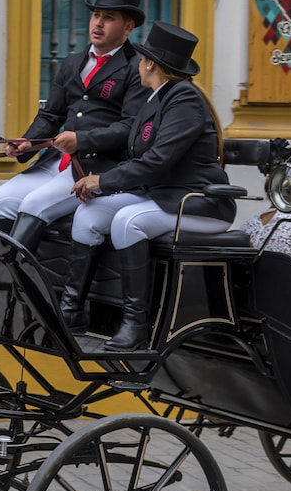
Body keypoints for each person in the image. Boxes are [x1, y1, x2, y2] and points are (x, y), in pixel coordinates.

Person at [68, 22, 235, 350]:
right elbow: (139, 158)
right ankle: (71, 310)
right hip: (163, 197)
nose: (137, 63)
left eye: (141, 58)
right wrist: (100, 187)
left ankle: (135, 324)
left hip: (199, 204)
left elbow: (158, 160)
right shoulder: (156, 99)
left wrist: (104, 180)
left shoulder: (183, 99)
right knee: (89, 214)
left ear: (150, 64)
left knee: (127, 221)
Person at [0, 0, 145, 251]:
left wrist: (82, 140)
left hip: (96, 167)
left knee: (34, 205)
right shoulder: (72, 62)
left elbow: (130, 127)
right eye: (96, 15)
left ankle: (23, 283)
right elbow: (51, 115)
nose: (98, 23)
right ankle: (11, 281)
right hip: (56, 161)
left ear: (128, 27)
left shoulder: (136, 68)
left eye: (108, 18)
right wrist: (28, 143)